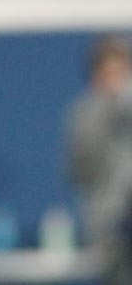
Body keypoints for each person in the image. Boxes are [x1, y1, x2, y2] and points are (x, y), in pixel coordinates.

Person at [65, 35, 132, 284]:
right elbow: (79, 171)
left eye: (121, 72)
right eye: (109, 73)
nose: (116, 81)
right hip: (107, 226)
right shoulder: (83, 116)